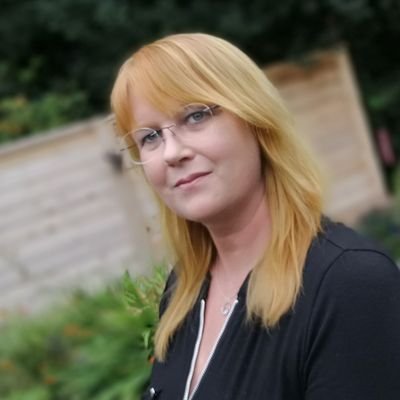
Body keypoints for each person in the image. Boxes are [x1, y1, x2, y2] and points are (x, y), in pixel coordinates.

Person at [110, 33, 400, 400]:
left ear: (256, 119)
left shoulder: (350, 283)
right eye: (150, 137)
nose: (172, 152)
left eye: (195, 116)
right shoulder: (182, 292)